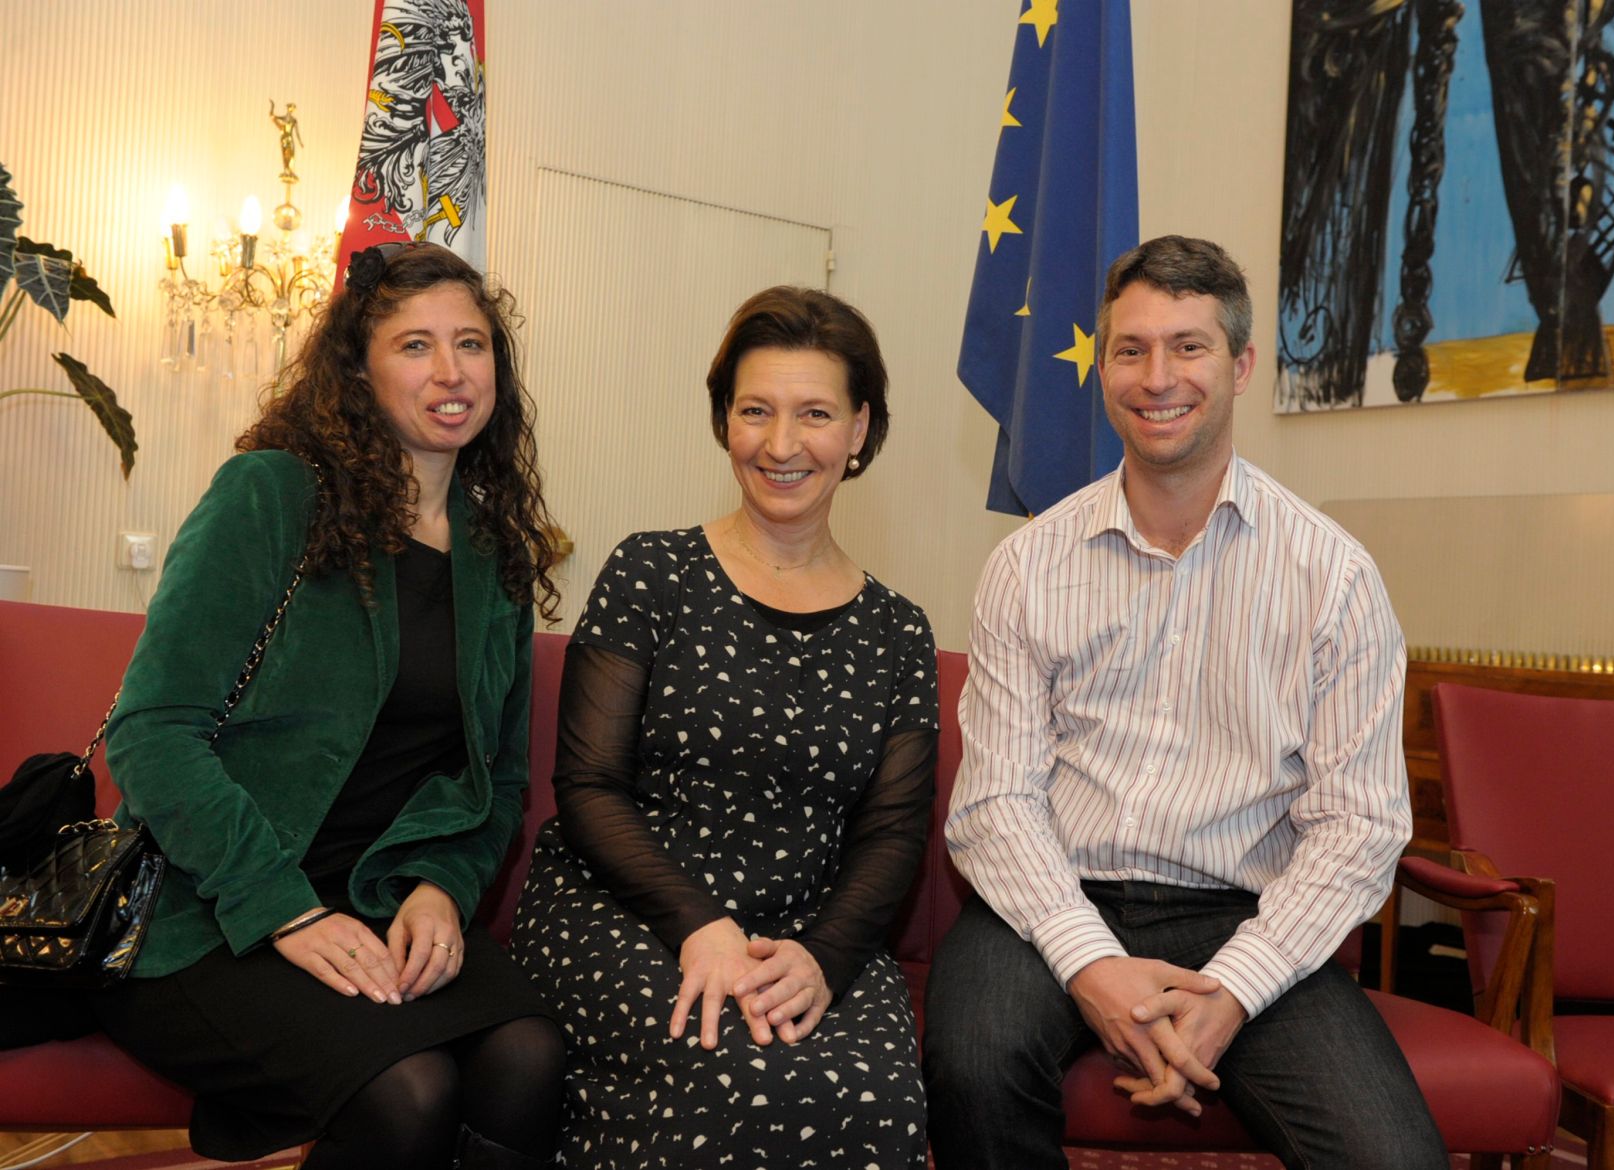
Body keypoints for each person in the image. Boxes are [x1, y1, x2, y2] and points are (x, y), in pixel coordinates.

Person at [923, 236, 1447, 1169]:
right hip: (1050, 894)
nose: (1157, 376)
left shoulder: (1332, 577)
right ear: (1102, 366)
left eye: (1188, 346)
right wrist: (1090, 962)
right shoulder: (1027, 566)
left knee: (1391, 1155)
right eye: (1131, 349)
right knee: (972, 1066)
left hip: (1247, 910)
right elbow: (997, 804)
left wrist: (1233, 992)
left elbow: (1361, 827)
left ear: (1241, 365)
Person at [94, 243, 566, 1169]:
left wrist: (445, 887)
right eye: (415, 345)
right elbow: (151, 732)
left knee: (528, 1060)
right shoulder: (270, 495)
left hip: (383, 903)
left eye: (472, 345)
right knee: (410, 1090)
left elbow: (497, 779)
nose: (450, 372)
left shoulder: (495, 546)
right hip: (212, 909)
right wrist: (286, 911)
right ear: (357, 366)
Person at [511, 286, 937, 1169]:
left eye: (815, 413)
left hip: (811, 932)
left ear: (859, 430)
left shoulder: (899, 631)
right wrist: (699, 922)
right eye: (756, 411)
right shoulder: (650, 572)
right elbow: (588, 785)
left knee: (877, 1097)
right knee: (737, 1074)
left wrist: (820, 958)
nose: (782, 445)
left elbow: (893, 831)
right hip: (627, 907)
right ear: (724, 421)